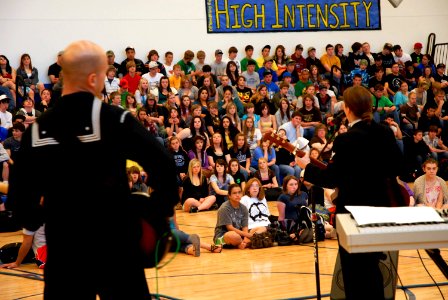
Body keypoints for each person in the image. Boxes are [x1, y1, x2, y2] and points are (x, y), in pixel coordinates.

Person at [8, 40, 179, 299]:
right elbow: (164, 165)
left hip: (66, 252)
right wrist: (154, 213)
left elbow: (20, 201)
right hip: (117, 247)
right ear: (92, 78)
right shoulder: (115, 119)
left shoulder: (38, 130)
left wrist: (40, 215)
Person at [302, 86, 404, 300]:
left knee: (354, 272)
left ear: (347, 109)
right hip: (380, 211)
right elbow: (398, 167)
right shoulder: (385, 132)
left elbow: (331, 178)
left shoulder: (346, 139)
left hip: (352, 214)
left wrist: (307, 168)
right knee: (372, 267)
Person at [213, 183, 251, 249]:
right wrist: (247, 235)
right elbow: (230, 228)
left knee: (259, 229)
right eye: (234, 193)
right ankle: (240, 244)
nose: (237, 195)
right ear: (229, 196)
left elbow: (245, 227)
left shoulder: (244, 208)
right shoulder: (224, 208)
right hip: (223, 236)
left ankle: (241, 243)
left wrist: (246, 238)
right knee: (233, 236)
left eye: (239, 192)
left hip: (239, 235)